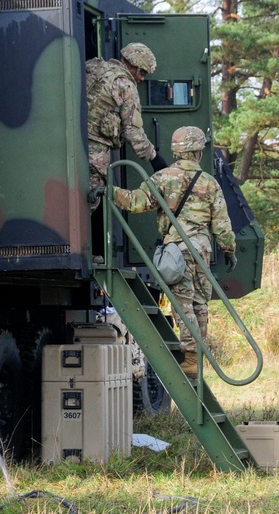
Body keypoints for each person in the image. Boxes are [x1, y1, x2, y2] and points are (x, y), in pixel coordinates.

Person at [106, 126, 236, 378]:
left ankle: (189, 357)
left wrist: (106, 190)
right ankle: (196, 356)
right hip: (202, 250)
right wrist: (229, 251)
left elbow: (135, 202)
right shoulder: (210, 183)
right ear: (198, 150)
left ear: (177, 150)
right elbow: (222, 226)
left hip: (177, 250)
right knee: (199, 302)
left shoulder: (164, 178)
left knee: (182, 302)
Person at [85, 42, 168, 208]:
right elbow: (132, 131)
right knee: (87, 204)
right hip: (94, 153)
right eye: (142, 72)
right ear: (132, 64)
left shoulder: (94, 67)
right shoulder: (125, 85)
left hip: (70, 143)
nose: (142, 78)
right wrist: (154, 158)